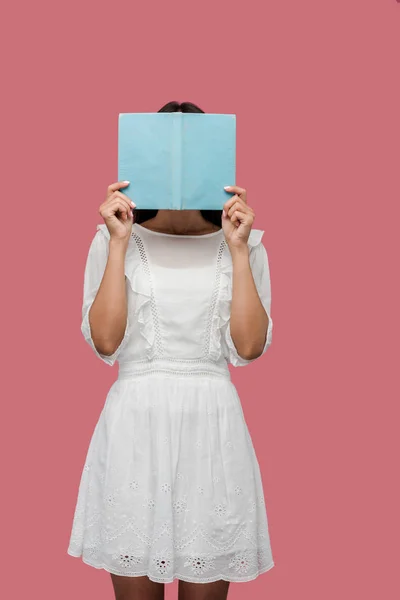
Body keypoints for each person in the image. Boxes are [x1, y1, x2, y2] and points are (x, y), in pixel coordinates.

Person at [67, 101, 275, 600]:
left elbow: (249, 346)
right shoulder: (111, 239)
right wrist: (119, 242)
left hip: (212, 429)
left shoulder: (245, 244)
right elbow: (106, 341)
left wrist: (240, 249)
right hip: (136, 429)